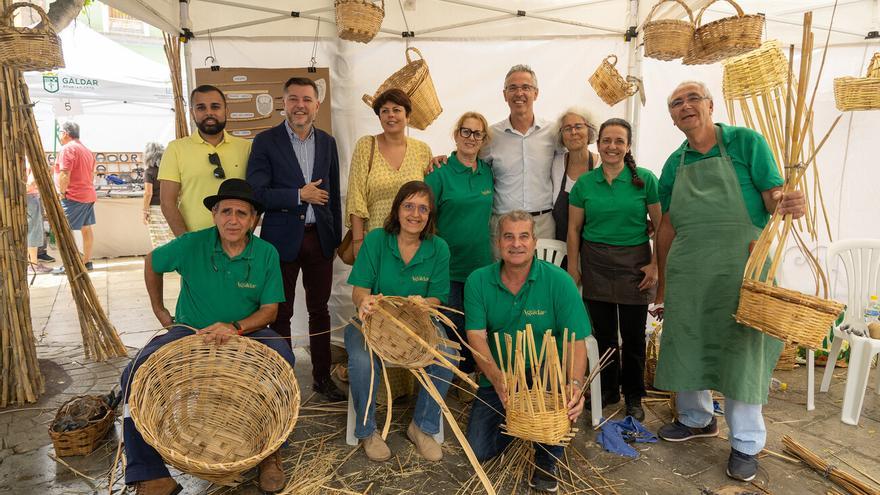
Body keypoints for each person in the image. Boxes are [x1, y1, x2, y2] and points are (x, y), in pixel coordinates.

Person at [652, 81, 805, 482]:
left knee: (742, 351)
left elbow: (773, 196)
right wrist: (662, 279)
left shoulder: (746, 142)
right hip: (689, 269)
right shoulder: (675, 163)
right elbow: (666, 226)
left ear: (710, 104)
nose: (685, 106)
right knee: (687, 339)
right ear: (671, 116)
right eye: (676, 102)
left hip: (743, 265)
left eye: (692, 98)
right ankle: (696, 418)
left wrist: (786, 201)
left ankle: (746, 443)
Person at [120, 179, 294, 495]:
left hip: (247, 332)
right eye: (225, 211)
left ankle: (269, 455)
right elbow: (152, 262)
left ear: (254, 220)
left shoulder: (266, 253)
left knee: (283, 360)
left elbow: (270, 311)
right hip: (189, 332)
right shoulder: (192, 243)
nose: (233, 219)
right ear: (214, 214)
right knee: (133, 374)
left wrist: (235, 327)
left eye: (242, 213)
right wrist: (160, 310)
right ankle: (151, 473)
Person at [465, 210, 590, 493]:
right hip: (502, 377)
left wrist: (574, 385)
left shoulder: (559, 281)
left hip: (547, 375)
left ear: (535, 241)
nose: (516, 244)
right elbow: (476, 336)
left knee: (553, 395)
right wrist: (497, 378)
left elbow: (576, 340)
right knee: (480, 449)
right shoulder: (478, 280)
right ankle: (524, 426)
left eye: (524, 236)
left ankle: (546, 459)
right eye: (509, 237)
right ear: (498, 242)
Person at [247, 76, 344, 402]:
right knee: (280, 312)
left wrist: (336, 238)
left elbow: (334, 194)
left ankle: (322, 378)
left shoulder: (328, 142)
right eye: (293, 99)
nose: (300, 105)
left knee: (320, 311)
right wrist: (297, 195)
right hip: (281, 240)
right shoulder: (265, 141)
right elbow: (256, 194)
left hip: (320, 239)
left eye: (306, 99)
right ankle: (284, 381)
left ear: (317, 105)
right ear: (283, 103)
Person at [344, 181, 454, 462]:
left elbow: (437, 298)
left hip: (418, 324)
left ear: (430, 216)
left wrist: (423, 304)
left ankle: (421, 428)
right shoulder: (376, 239)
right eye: (408, 206)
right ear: (397, 209)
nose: (415, 214)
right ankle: (367, 431)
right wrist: (364, 302)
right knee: (361, 359)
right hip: (373, 322)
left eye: (423, 209)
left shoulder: (439, 248)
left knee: (447, 354)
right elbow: (359, 291)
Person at [566, 118, 661, 421]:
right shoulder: (584, 183)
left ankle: (633, 396)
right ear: (598, 144)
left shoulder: (645, 179)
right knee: (604, 335)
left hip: (636, 263)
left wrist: (655, 265)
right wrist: (573, 266)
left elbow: (661, 228)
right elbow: (573, 229)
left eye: (619, 141)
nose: (612, 146)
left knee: (633, 337)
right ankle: (607, 391)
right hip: (595, 262)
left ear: (628, 146)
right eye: (607, 140)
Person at [430, 65, 562, 250]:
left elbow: (574, 156)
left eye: (526, 87)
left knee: (542, 277)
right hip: (502, 223)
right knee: (499, 278)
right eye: (512, 88)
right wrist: (444, 158)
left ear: (536, 93)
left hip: (542, 223)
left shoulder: (552, 132)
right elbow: (469, 155)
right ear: (504, 94)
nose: (519, 93)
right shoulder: (491, 135)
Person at [424, 111, 494, 374]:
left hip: (480, 267)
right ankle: (454, 380)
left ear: (483, 139)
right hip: (449, 268)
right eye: (465, 131)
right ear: (456, 135)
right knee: (452, 328)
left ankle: (470, 380)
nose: (471, 137)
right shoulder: (439, 173)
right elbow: (423, 219)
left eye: (477, 133)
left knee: (476, 326)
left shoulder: (488, 172)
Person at [345, 89, 432, 259]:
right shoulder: (366, 146)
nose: (390, 115)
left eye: (397, 110)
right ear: (379, 117)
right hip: (375, 240)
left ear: (407, 116)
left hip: (413, 242)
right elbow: (356, 197)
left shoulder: (422, 150)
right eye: (385, 111)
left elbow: (427, 197)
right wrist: (358, 241)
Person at [159, 85, 251, 236]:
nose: (209, 112)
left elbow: (257, 198)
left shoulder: (247, 148)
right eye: (201, 108)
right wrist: (186, 241)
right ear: (192, 113)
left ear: (226, 110)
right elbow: (167, 203)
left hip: (238, 242)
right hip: (194, 241)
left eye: (215, 107)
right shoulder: (176, 149)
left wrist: (246, 236)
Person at [53, 121, 97, 273]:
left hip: (74, 196)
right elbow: (91, 174)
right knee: (86, 229)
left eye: (59, 132)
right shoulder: (86, 150)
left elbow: (65, 173)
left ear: (65, 133)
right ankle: (86, 261)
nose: (59, 135)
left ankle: (70, 265)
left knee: (65, 232)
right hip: (87, 194)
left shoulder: (67, 148)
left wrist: (62, 193)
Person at [551, 108, 598, 247]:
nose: (573, 132)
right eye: (567, 128)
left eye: (578, 127)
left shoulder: (602, 166)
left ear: (590, 131)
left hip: (593, 248)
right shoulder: (554, 163)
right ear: (561, 136)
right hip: (559, 247)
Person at [141, 143, 173, 248]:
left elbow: (148, 193)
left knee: (158, 238)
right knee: (170, 237)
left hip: (155, 209)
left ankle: (161, 263)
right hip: (170, 206)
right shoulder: (168, 171)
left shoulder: (149, 172)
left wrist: (145, 211)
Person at [26, 163, 52, 274]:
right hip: (30, 196)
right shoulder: (30, 160)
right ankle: (33, 265)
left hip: (25, 196)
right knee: (34, 230)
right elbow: (30, 183)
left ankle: (31, 263)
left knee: (29, 230)